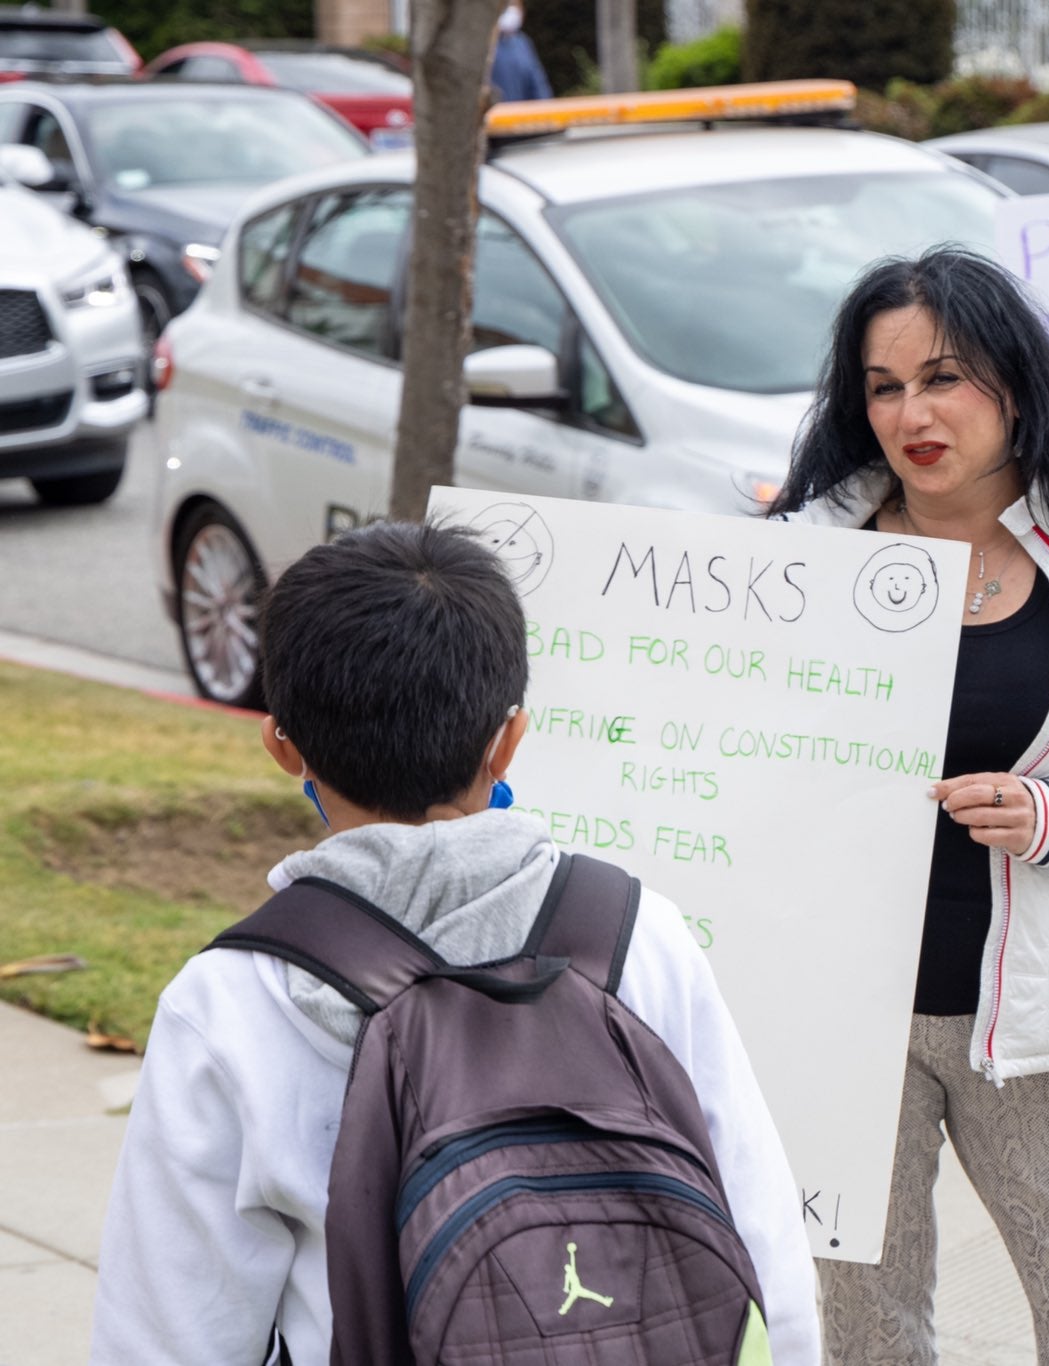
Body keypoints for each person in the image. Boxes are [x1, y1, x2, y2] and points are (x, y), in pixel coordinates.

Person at [89, 523, 819, 1365]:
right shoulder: (636, 934)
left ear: (282, 745)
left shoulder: (234, 998)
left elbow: (167, 1330)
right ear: (509, 739)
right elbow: (764, 1250)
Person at [767, 246, 1049, 1365]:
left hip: (1031, 1015)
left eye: (943, 377)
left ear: (1013, 383)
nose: (911, 412)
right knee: (863, 1334)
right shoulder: (798, 554)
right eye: (882, 385)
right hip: (841, 1018)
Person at [489, 2, 553, 104]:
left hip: (520, 114)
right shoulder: (487, 44)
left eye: (514, 6)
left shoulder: (523, 43)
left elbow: (538, 85)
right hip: (495, 114)